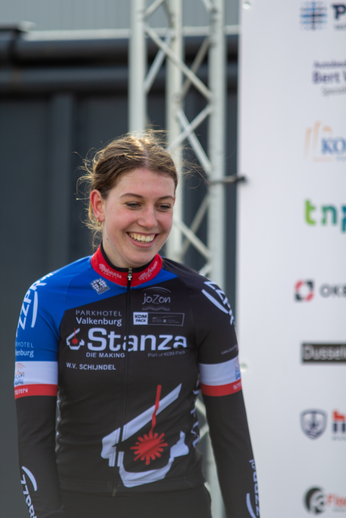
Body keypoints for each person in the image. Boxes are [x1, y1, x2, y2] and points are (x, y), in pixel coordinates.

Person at [14, 132, 260, 518]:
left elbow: (231, 437)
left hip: (179, 504)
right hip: (78, 504)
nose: (150, 221)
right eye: (133, 203)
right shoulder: (47, 297)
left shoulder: (204, 300)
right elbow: (33, 437)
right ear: (99, 205)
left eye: (164, 205)